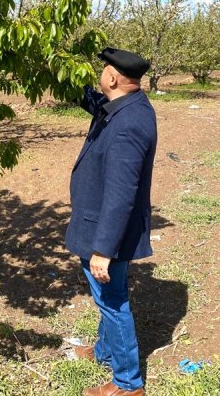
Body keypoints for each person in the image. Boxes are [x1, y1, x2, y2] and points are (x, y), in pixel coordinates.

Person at [66, 47, 157, 396]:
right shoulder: (124, 106)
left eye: (103, 70)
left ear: (114, 78)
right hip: (99, 223)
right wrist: (54, 73)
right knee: (107, 296)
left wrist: (103, 249)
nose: (99, 75)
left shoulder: (128, 125)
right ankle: (105, 351)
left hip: (106, 231)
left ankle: (128, 383)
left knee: (113, 302)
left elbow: (122, 194)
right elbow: (94, 104)